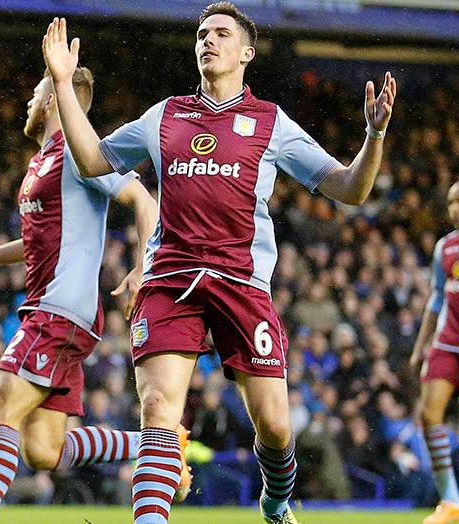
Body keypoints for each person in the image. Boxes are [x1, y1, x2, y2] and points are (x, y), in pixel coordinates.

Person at [41, 2, 397, 523]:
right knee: (158, 409)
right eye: (202, 33)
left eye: (221, 34)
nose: (207, 40)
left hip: (242, 285)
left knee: (275, 427)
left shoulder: (271, 122)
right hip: (170, 281)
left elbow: (350, 189)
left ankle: (275, 502)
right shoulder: (164, 116)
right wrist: (63, 82)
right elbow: (93, 160)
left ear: (247, 53)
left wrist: (374, 136)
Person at [0, 67, 184, 524]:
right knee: (43, 449)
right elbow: (40, 238)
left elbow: (145, 201)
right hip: (57, 313)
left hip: (59, 311)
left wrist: (141, 268)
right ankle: (158, 444)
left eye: (36, 94)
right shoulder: (42, 161)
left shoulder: (79, 150)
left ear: (52, 99)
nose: (28, 103)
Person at [410, 182, 459, 524]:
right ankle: (451, 500)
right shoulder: (445, 247)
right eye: (452, 201)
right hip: (447, 343)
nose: (455, 207)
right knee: (429, 416)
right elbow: (437, 299)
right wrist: (420, 347)